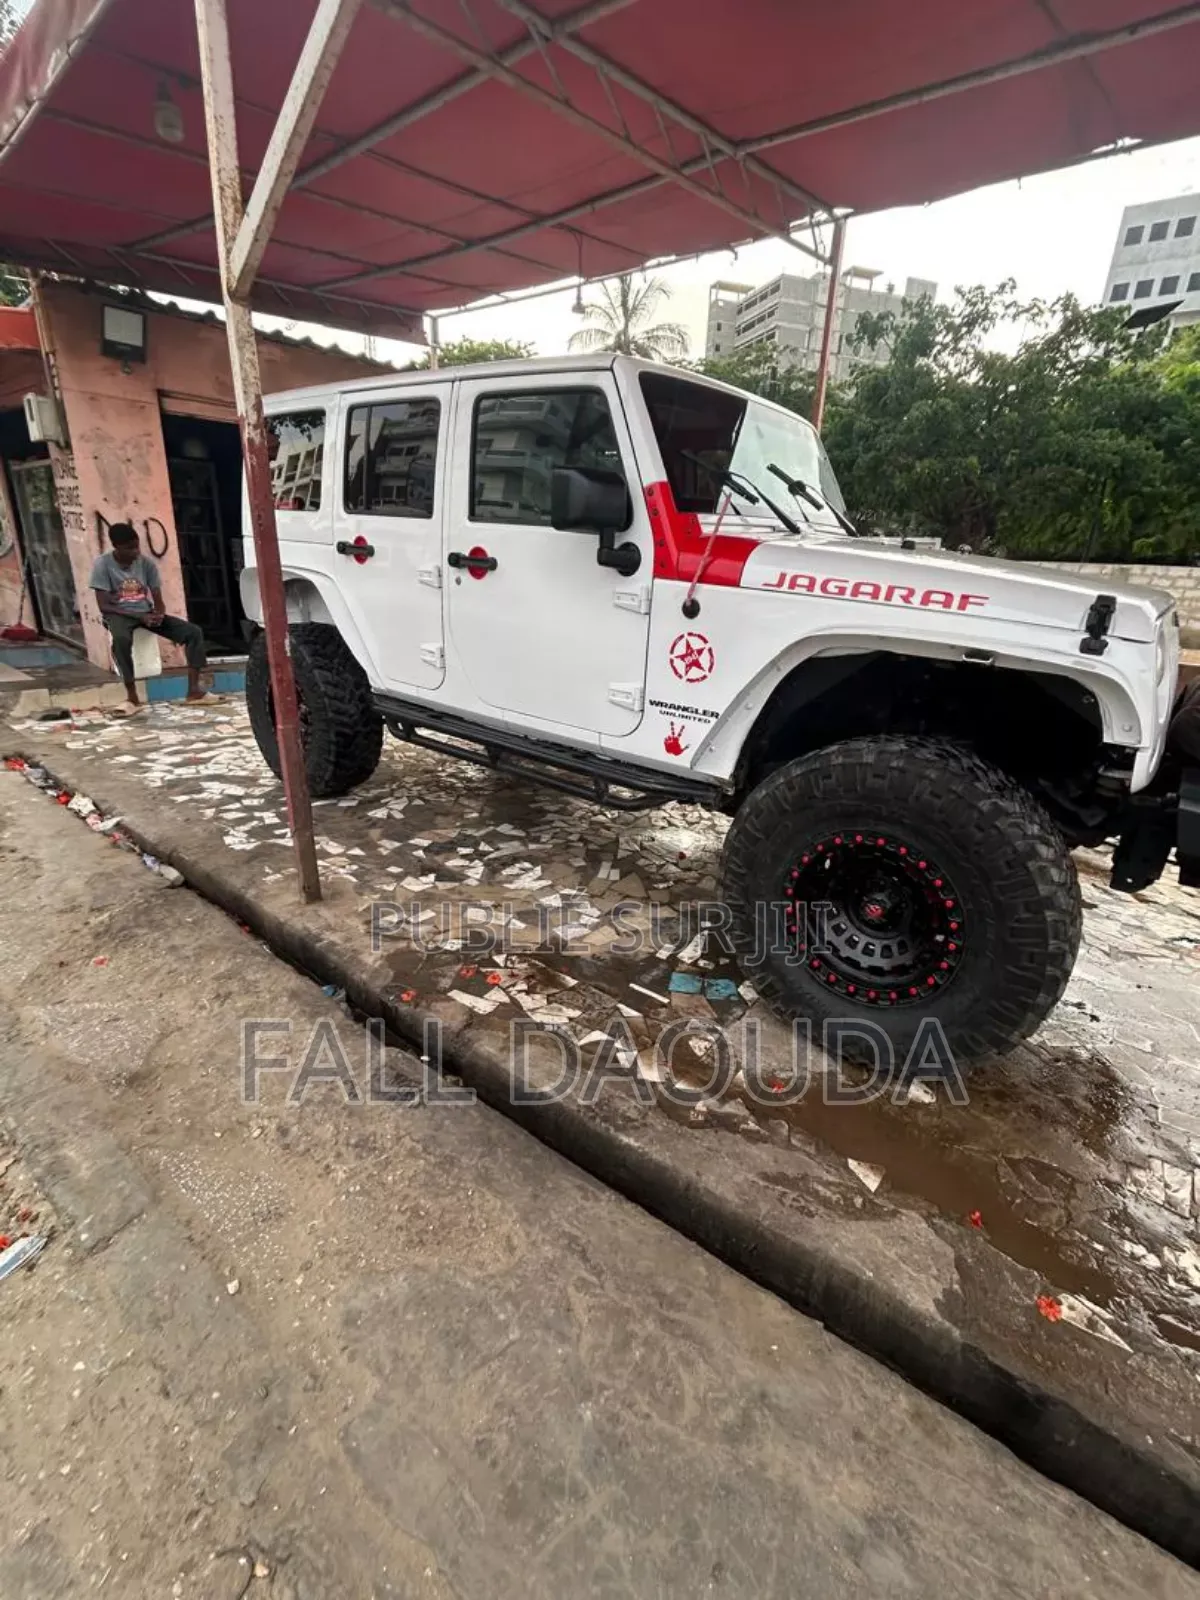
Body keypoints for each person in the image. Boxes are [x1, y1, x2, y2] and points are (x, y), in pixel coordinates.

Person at [89, 523, 213, 713]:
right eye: (129, 548)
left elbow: (157, 598)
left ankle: (193, 690)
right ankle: (132, 695)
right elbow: (104, 605)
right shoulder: (102, 565)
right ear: (116, 547)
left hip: (145, 612)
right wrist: (138, 616)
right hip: (119, 614)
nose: (135, 552)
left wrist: (158, 614)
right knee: (121, 640)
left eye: (136, 546)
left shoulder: (146, 564)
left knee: (193, 632)